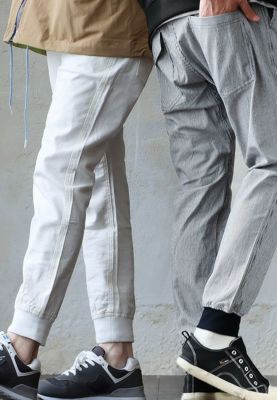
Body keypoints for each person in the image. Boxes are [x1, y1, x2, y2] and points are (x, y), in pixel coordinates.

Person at [139, 0, 277, 399]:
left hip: (166, 27)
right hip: (228, 14)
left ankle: (200, 373)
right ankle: (215, 335)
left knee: (199, 188)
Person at [0, 1, 153, 399]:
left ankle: (21, 347)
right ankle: (116, 358)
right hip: (67, 19)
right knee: (100, 181)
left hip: (105, 18)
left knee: (61, 172)